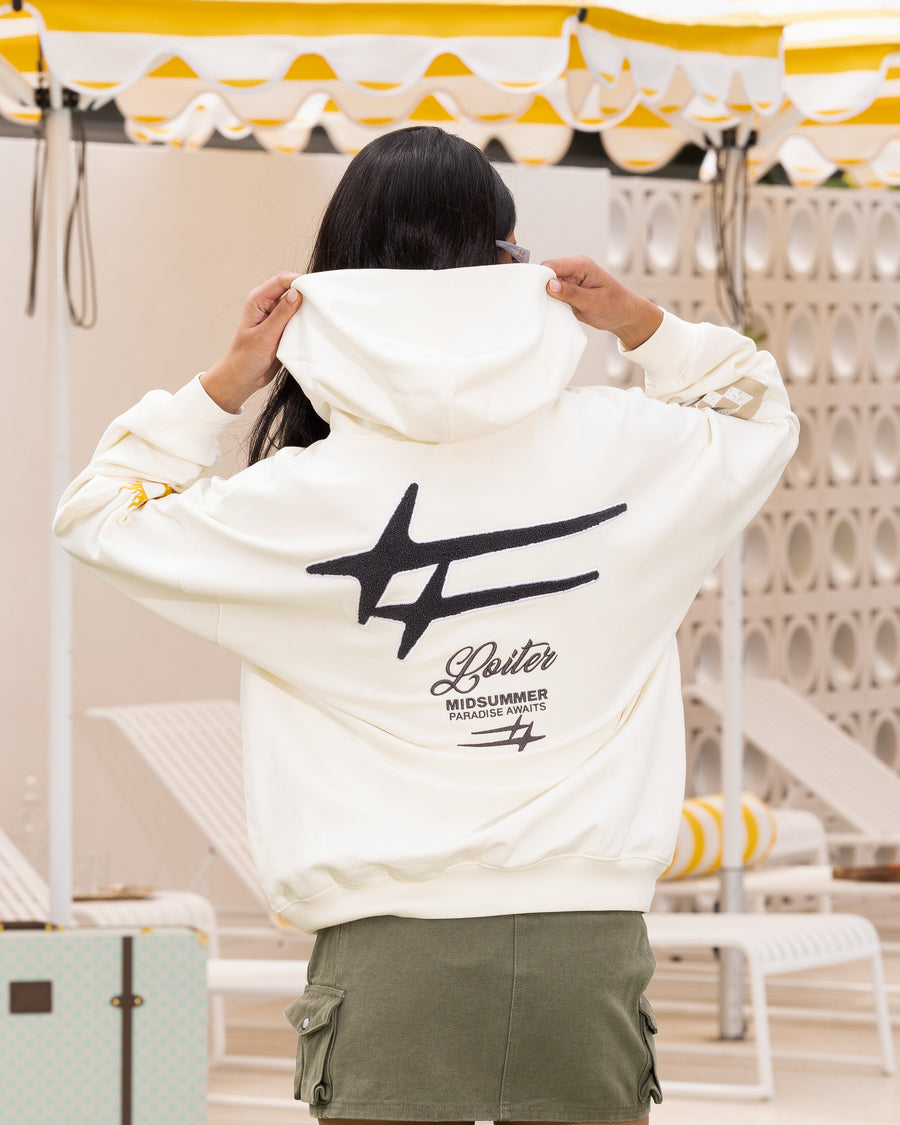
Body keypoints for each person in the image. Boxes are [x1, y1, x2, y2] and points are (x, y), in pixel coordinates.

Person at [54, 126, 798, 1125]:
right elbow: (757, 413)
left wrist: (228, 381)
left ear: (331, 279)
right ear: (509, 261)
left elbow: (98, 514)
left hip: (387, 948)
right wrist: (643, 327)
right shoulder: (628, 449)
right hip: (585, 946)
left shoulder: (296, 502)